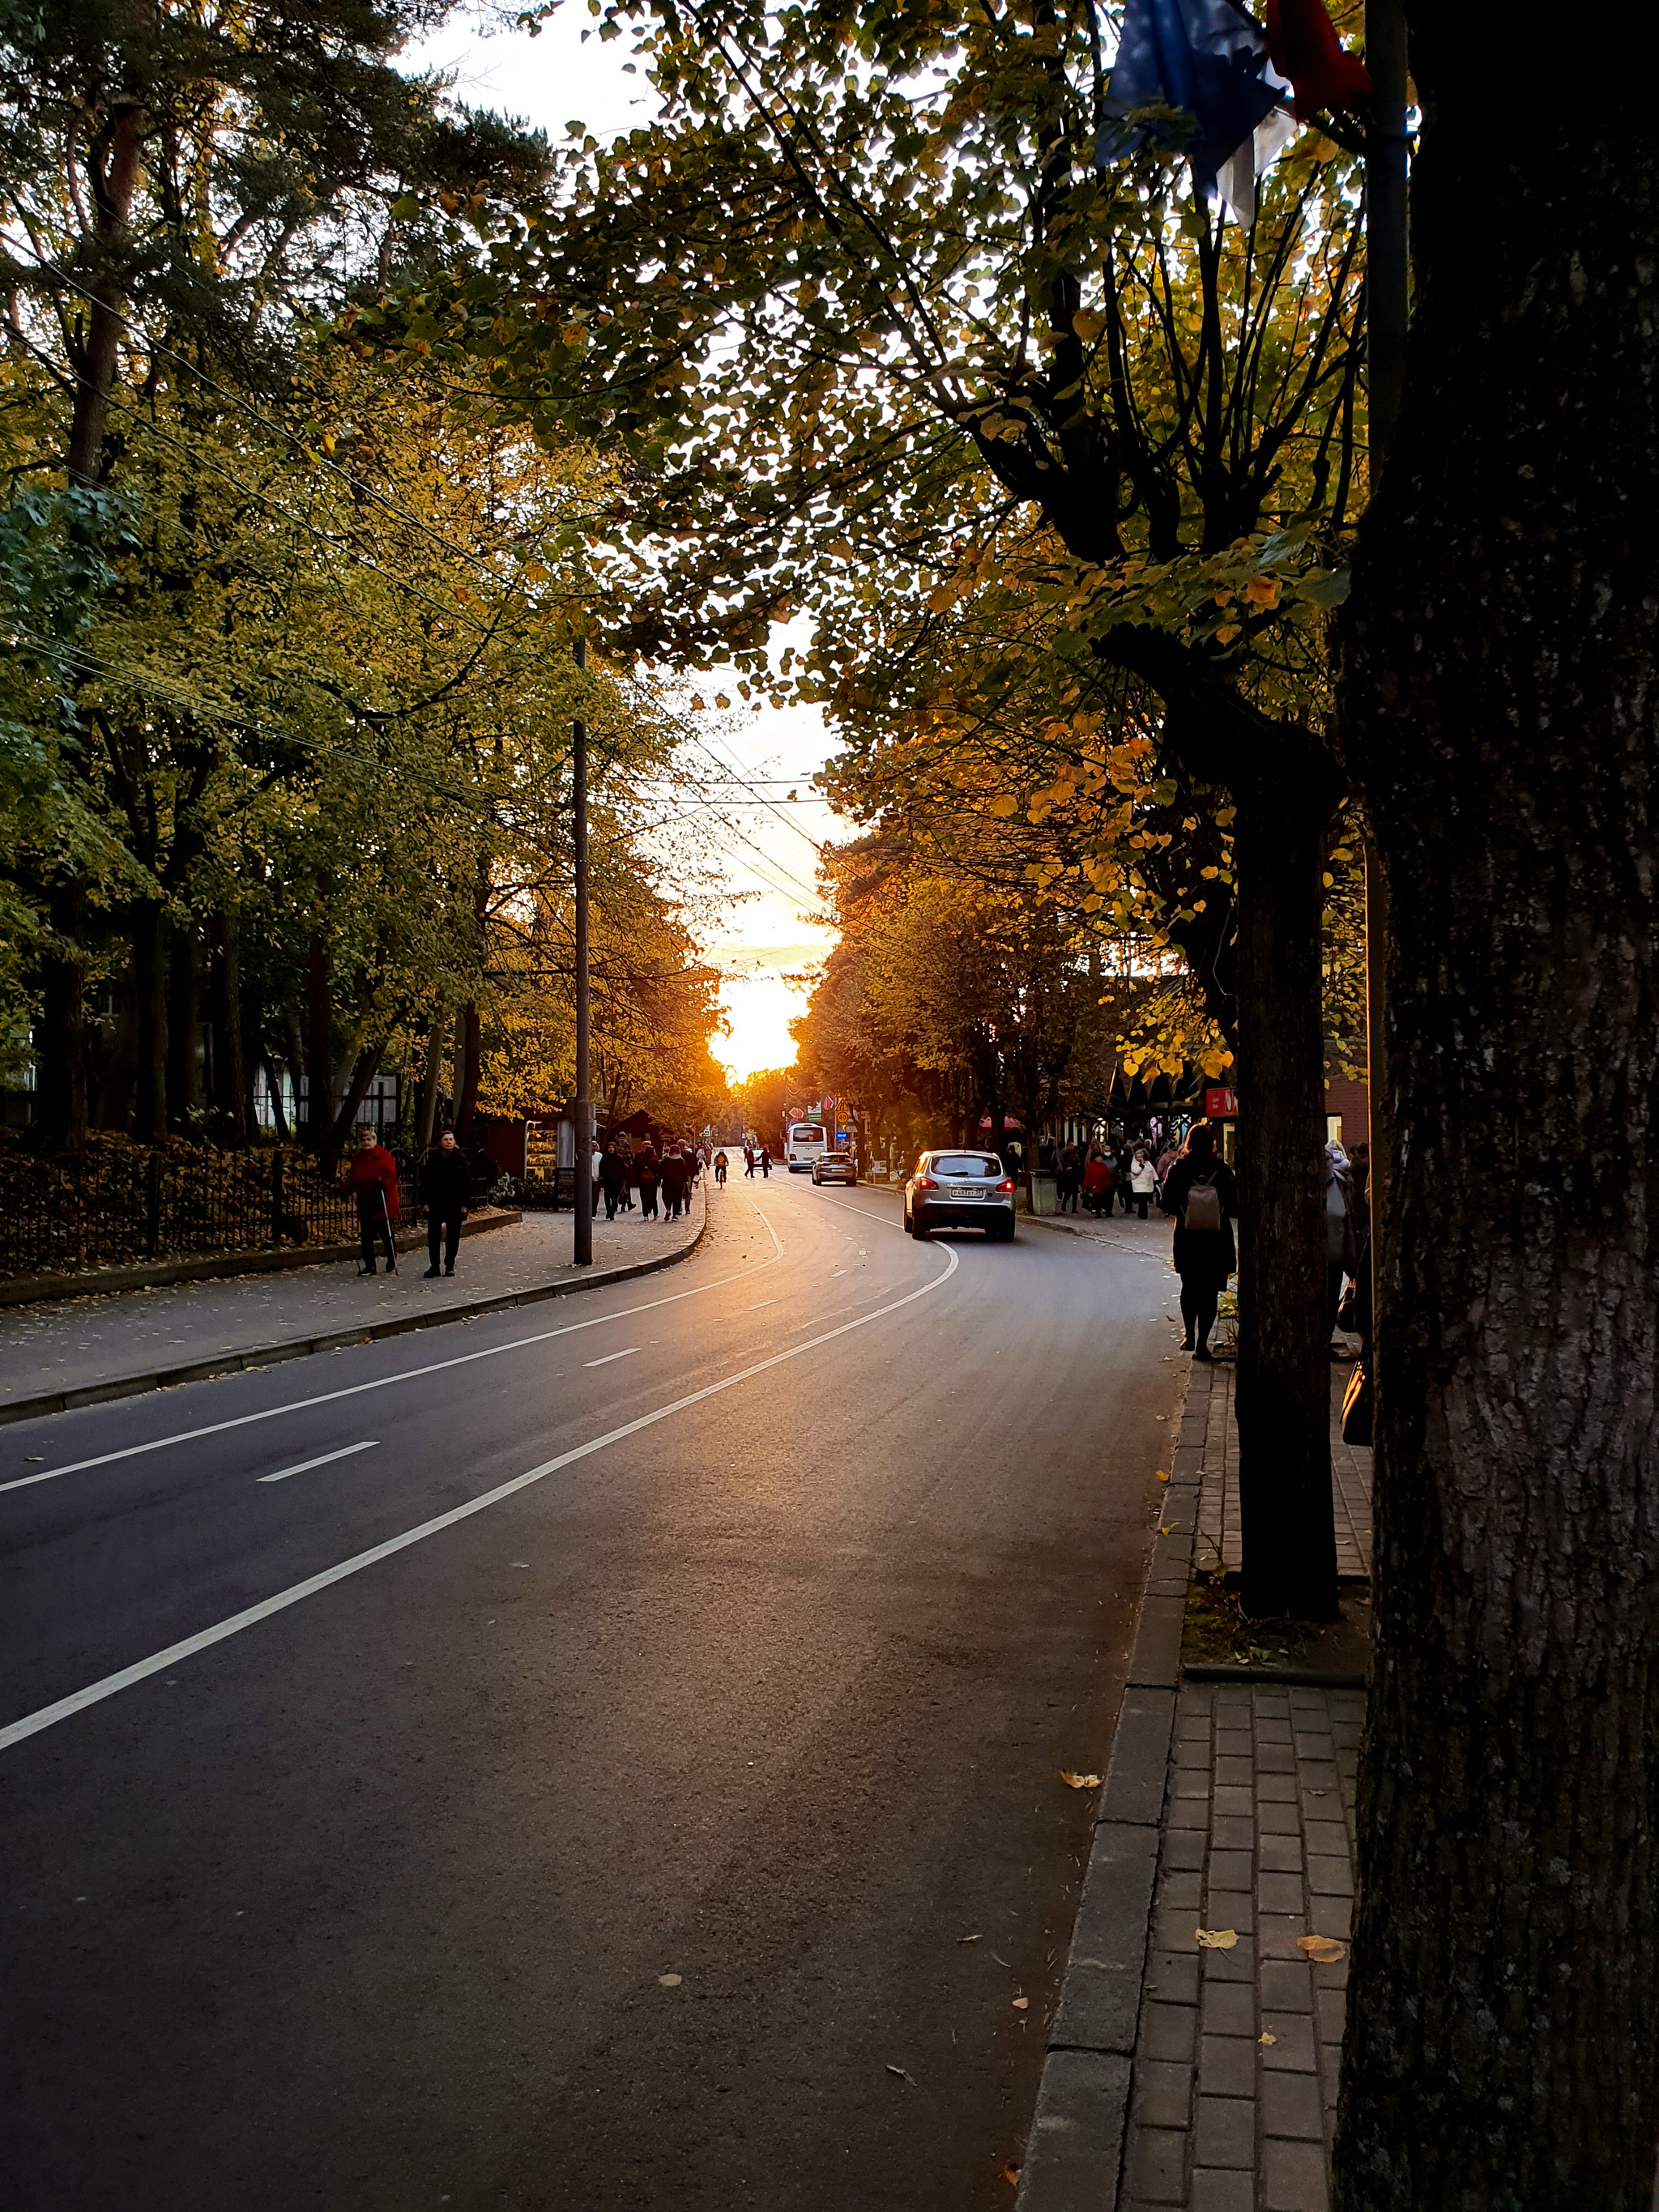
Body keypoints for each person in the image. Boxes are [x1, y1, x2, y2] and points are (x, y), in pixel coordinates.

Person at [1160, 1124, 1239, 1361]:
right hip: (1217, 1240)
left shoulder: (1178, 1170)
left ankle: (1189, 1335)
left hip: (1188, 1239)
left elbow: (1165, 1204)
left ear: (1189, 1143)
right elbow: (1235, 1207)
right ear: (1213, 1144)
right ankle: (1204, 1342)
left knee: (1189, 1287)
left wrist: (1184, 1211)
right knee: (1209, 1293)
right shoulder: (1223, 1171)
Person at [343, 1127, 399, 1276]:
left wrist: (384, 1182)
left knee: (386, 1234)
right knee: (366, 1235)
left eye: (369, 1140)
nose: (366, 1142)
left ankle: (392, 1258)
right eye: (363, 1140)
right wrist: (343, 1190)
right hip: (365, 1200)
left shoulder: (385, 1156)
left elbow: (392, 1175)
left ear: (375, 1141)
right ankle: (370, 1266)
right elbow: (354, 1177)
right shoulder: (357, 1158)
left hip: (382, 1200)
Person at [421, 1127, 472, 1277]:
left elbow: (466, 1182)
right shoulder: (434, 1159)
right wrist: (424, 1201)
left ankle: (450, 1264)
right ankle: (434, 1265)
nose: (449, 1142)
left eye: (451, 1139)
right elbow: (425, 1181)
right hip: (436, 1202)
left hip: (455, 1203)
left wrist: (465, 1204)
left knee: (453, 1235)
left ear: (454, 1142)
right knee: (434, 1236)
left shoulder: (460, 1159)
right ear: (440, 1143)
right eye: (446, 1140)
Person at [1322, 1141, 1354, 1350]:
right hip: (1313, 1259)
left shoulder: (1341, 1184)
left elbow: (1349, 1218)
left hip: (1336, 1255)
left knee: (1332, 1298)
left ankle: (1325, 1339)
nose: (1324, 1163)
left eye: (1327, 1159)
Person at [1081, 1144, 1113, 1218]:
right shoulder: (1091, 1166)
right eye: (1098, 1157)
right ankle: (1098, 1212)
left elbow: (1107, 1175)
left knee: (1102, 1199)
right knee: (1096, 1200)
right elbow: (1088, 1175)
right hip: (1094, 1186)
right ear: (1095, 1159)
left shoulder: (1104, 1166)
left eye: (1100, 1157)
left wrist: (1108, 1184)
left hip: (1102, 1186)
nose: (1100, 1159)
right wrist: (1088, 1185)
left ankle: (1102, 1211)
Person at [599, 1140, 627, 1221]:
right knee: (607, 1197)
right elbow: (602, 1168)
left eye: (612, 1147)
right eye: (609, 1148)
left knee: (615, 1199)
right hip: (607, 1181)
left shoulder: (619, 1158)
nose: (610, 1149)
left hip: (617, 1182)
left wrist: (624, 1179)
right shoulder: (605, 1158)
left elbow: (623, 1169)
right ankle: (609, 1210)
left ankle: (612, 1213)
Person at [1130, 1144, 1158, 1220]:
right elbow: (1136, 1171)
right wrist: (1141, 1165)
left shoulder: (1148, 1163)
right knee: (1143, 1201)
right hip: (1139, 1185)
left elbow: (1152, 1171)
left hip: (1147, 1184)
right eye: (1138, 1157)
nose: (1139, 1158)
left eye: (1141, 1157)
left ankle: (1141, 1213)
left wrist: (1156, 1179)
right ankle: (1143, 1215)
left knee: (1144, 1201)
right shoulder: (1134, 1164)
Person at [660, 1143, 688, 1221]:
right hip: (678, 1183)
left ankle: (668, 1208)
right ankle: (675, 1215)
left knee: (666, 1196)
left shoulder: (666, 1160)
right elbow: (684, 1172)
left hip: (667, 1182)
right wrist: (686, 1181)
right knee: (677, 1198)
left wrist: (659, 1179)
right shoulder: (681, 1161)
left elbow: (661, 1170)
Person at [637, 1143, 659, 1221]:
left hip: (643, 1181)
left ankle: (645, 1215)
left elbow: (636, 1170)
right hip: (652, 1181)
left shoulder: (641, 1159)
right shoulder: (655, 1160)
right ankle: (655, 1214)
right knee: (653, 1197)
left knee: (644, 1198)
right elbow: (658, 1171)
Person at [1057, 1141, 1081, 1214]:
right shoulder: (1065, 1155)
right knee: (1068, 1192)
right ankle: (1064, 1204)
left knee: (1075, 1193)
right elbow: (1064, 1163)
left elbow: (1079, 1163)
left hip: (1074, 1174)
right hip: (1068, 1175)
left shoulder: (1076, 1154)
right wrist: (1067, 1167)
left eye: (1072, 1145)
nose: (1071, 1147)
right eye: (1070, 1145)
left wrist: (1075, 1167)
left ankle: (1074, 1209)